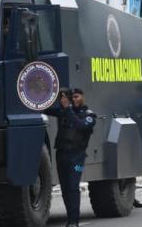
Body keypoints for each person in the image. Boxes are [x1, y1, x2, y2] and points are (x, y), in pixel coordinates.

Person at [44, 88, 97, 227]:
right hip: (61, 155)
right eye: (71, 97)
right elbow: (45, 109)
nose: (74, 99)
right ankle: (70, 218)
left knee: (73, 187)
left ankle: (74, 221)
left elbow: (80, 125)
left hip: (77, 157)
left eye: (76, 96)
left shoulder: (89, 115)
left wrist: (68, 109)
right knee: (65, 188)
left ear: (82, 97)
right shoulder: (64, 112)